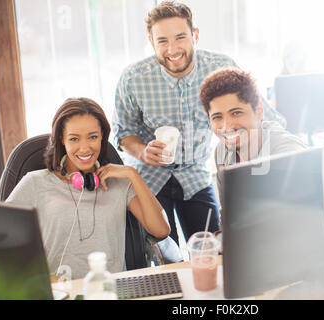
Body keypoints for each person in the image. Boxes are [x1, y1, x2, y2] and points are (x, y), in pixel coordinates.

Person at [112, 1, 286, 245]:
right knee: (162, 254)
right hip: (149, 179)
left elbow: (264, 117)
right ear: (151, 42)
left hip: (195, 176)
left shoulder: (220, 67)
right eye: (162, 41)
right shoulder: (133, 78)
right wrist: (143, 151)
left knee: (212, 247)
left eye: (180, 37)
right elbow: (124, 133)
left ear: (195, 35)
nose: (172, 49)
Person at [6, 98, 170, 279]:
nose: (84, 148)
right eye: (74, 138)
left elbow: (161, 230)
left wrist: (133, 174)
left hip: (110, 291)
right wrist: (40, 275)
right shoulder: (35, 182)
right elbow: (1, 241)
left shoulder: (121, 183)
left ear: (102, 137)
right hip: (60, 293)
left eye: (93, 137)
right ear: (62, 139)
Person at [199, 67, 307, 216]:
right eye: (217, 117)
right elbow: (229, 214)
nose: (227, 127)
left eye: (236, 113)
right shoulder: (222, 151)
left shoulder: (286, 152)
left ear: (259, 111)